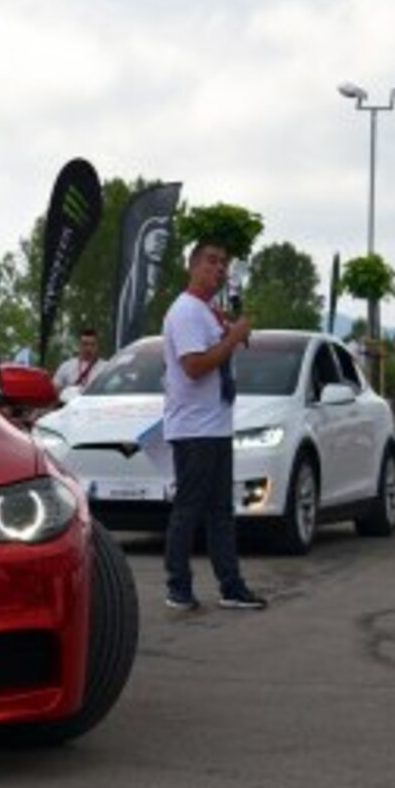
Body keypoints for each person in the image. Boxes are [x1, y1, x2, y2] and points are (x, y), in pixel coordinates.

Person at [160, 237, 264, 613]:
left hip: (216, 424)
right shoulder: (186, 311)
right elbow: (194, 365)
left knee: (221, 511)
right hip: (193, 429)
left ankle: (231, 586)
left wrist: (230, 331)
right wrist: (233, 338)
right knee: (188, 510)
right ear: (192, 266)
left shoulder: (208, 311)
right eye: (211, 261)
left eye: (223, 263)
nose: (218, 269)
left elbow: (215, 355)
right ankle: (178, 586)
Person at [51, 328, 103, 394]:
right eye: (85, 344)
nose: (89, 348)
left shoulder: (106, 368)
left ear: (97, 346)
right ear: (79, 345)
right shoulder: (66, 366)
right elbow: (55, 389)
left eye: (92, 345)